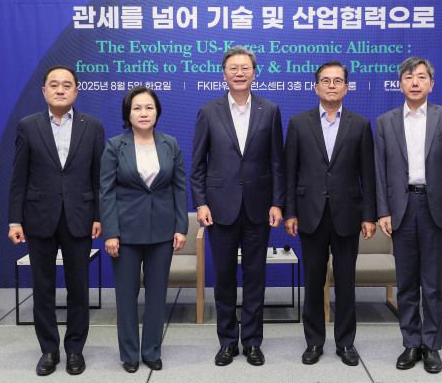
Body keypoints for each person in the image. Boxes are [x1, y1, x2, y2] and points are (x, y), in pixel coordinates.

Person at [191, 45, 285, 366]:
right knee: (225, 278)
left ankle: (253, 342)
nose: (240, 73)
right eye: (233, 68)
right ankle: (228, 342)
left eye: (245, 68)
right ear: (224, 74)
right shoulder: (209, 111)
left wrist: (277, 202)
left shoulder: (269, 110)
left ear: (254, 73)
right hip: (220, 209)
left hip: (259, 207)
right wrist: (201, 203)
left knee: (256, 277)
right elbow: (198, 165)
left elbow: (277, 162)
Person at [8, 65, 104, 376]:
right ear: (44, 91)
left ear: (76, 90)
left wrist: (99, 215)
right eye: (54, 85)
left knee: (78, 287)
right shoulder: (28, 126)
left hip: (80, 217)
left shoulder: (93, 127)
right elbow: (19, 178)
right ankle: (49, 350)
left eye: (66, 85)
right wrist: (14, 220)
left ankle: (75, 349)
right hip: (39, 218)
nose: (60, 90)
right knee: (43, 287)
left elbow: (98, 177)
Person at [374, 56, 442, 374]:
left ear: (431, 84)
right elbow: (379, 171)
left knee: (433, 283)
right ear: (400, 84)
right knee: (406, 282)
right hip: (401, 208)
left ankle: (432, 346)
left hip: (435, 206)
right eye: (409, 77)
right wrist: (382, 211)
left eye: (421, 77)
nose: (415, 82)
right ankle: (411, 343)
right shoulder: (385, 122)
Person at [284, 61, 376, 366]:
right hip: (310, 214)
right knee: (313, 281)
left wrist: (369, 216)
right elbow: (290, 172)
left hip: (348, 213)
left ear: (347, 88)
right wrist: (290, 212)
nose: (332, 85)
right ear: (316, 87)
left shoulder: (360, 124)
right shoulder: (299, 123)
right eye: (326, 80)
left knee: (346, 281)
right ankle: (314, 341)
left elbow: (368, 174)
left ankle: (346, 343)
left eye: (338, 81)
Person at [99, 86, 188, 374]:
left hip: (162, 232)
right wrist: (111, 232)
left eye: (149, 107)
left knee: (156, 295)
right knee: (126, 296)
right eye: (137, 108)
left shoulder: (170, 144)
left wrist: (181, 227)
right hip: (125, 234)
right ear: (128, 114)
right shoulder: (115, 146)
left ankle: (151, 351)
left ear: (157, 112)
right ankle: (129, 353)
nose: (143, 113)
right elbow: (106, 192)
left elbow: (179, 187)